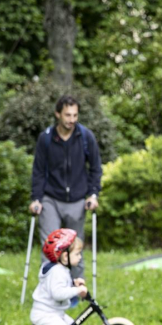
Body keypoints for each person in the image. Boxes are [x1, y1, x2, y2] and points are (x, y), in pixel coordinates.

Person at [29, 95, 102, 280]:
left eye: (75, 115)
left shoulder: (85, 137)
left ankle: (77, 291)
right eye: (68, 115)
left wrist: (93, 195)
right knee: (50, 247)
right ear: (58, 114)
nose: (72, 120)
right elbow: (38, 171)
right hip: (51, 198)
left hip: (78, 199)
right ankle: (47, 290)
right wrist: (36, 198)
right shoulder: (45, 138)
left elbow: (95, 168)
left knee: (76, 248)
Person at [30, 228, 91, 325]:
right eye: (77, 254)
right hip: (45, 314)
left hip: (54, 313)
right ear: (64, 256)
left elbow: (62, 284)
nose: (80, 257)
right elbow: (57, 294)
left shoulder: (60, 269)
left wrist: (74, 283)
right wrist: (77, 290)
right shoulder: (57, 271)